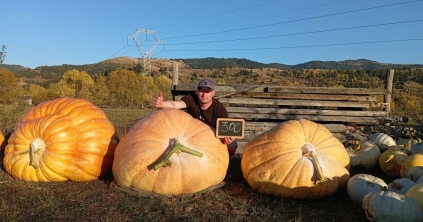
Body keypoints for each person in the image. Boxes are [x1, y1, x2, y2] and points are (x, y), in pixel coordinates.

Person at [153, 79, 238, 156]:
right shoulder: (191, 99)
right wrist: (162, 104)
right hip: (192, 135)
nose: (204, 94)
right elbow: (176, 104)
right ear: (197, 92)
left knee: (232, 146)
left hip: (212, 137)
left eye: (207, 91)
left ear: (213, 93)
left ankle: (224, 164)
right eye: (201, 91)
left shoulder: (220, 110)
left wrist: (226, 139)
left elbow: (224, 133)